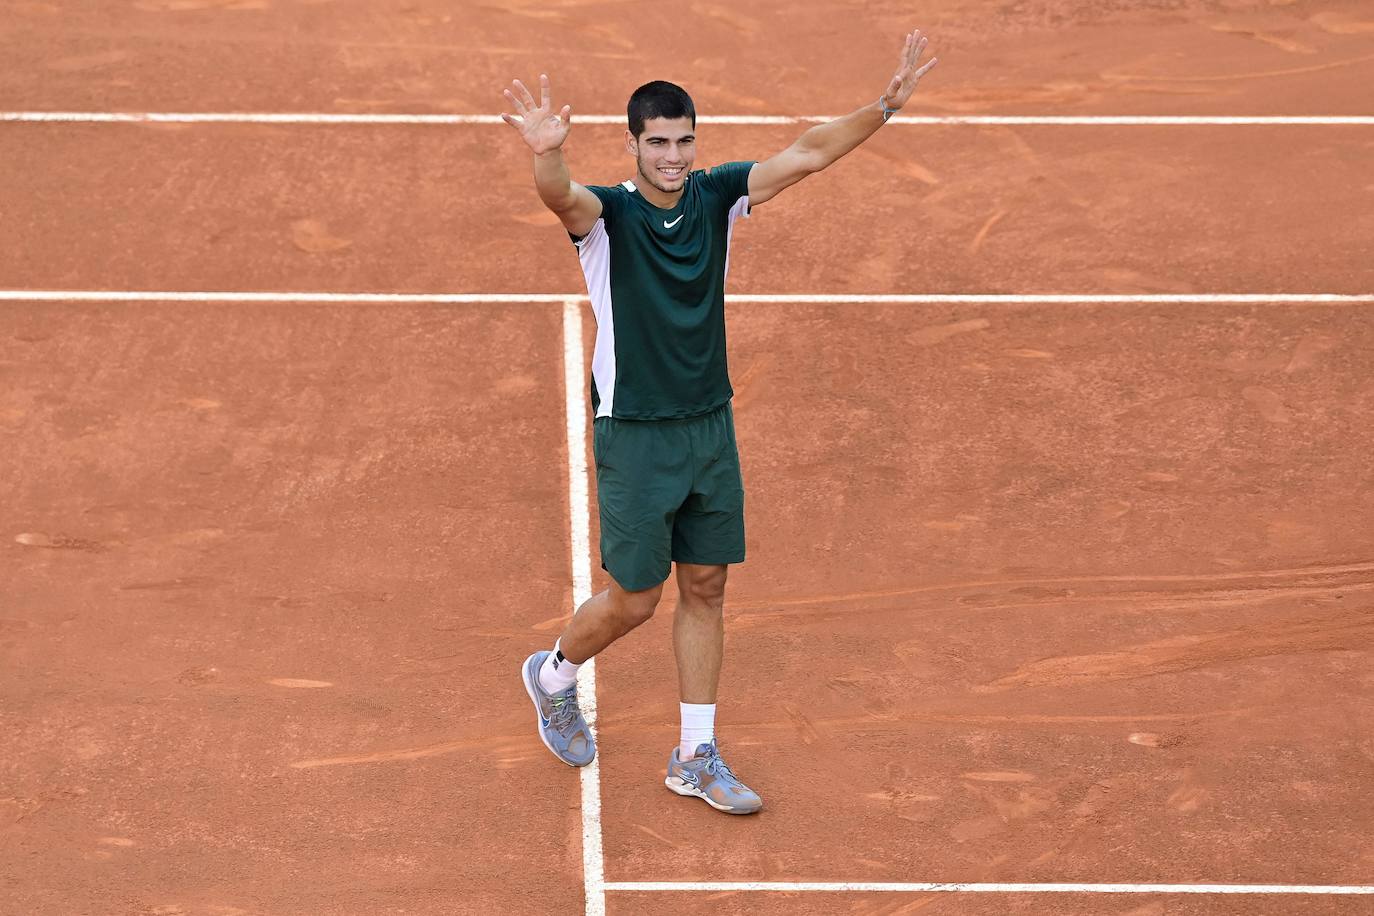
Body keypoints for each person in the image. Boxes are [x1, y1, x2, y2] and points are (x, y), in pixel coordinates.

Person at [506, 31, 938, 815]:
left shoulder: (716, 194)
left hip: (709, 424)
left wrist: (882, 107)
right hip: (635, 430)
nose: (672, 155)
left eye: (683, 141)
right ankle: (555, 674)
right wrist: (545, 154)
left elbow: (807, 154)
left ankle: (695, 755)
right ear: (633, 143)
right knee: (634, 600)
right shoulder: (607, 219)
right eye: (658, 142)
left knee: (706, 585)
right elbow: (559, 197)